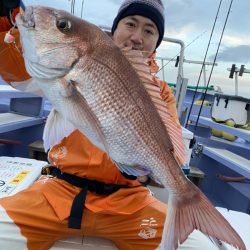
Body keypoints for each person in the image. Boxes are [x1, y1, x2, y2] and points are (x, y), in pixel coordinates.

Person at [0, 0, 220, 249]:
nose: (137, 36)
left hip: (127, 202)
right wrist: (5, 21)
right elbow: (15, 71)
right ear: (115, 30)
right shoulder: (55, 69)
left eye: (149, 31)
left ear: (157, 41)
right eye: (130, 24)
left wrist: (147, 172)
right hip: (58, 192)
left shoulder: (161, 93)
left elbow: (170, 151)